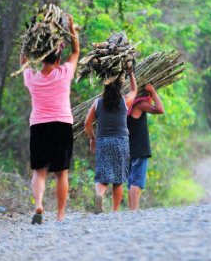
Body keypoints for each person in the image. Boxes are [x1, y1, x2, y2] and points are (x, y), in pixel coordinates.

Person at [22, 14, 79, 223]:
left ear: (40, 56)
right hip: (62, 125)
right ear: (57, 58)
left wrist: (30, 38)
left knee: (40, 172)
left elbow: (23, 60)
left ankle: (38, 204)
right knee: (61, 173)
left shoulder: (31, 77)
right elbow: (76, 52)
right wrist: (71, 28)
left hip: (39, 125)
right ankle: (60, 214)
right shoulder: (64, 73)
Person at [84, 70, 137, 214]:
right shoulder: (125, 100)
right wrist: (131, 73)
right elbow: (134, 90)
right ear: (119, 87)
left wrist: (92, 138)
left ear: (105, 87)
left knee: (102, 175)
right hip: (121, 142)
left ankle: (99, 195)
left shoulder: (97, 103)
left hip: (103, 141)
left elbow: (87, 124)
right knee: (118, 179)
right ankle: (115, 211)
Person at [127, 83, 165, 211]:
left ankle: (131, 210)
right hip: (139, 149)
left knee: (131, 180)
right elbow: (160, 109)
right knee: (136, 181)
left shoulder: (126, 104)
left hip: (128, 148)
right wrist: (154, 92)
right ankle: (134, 211)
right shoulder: (139, 104)